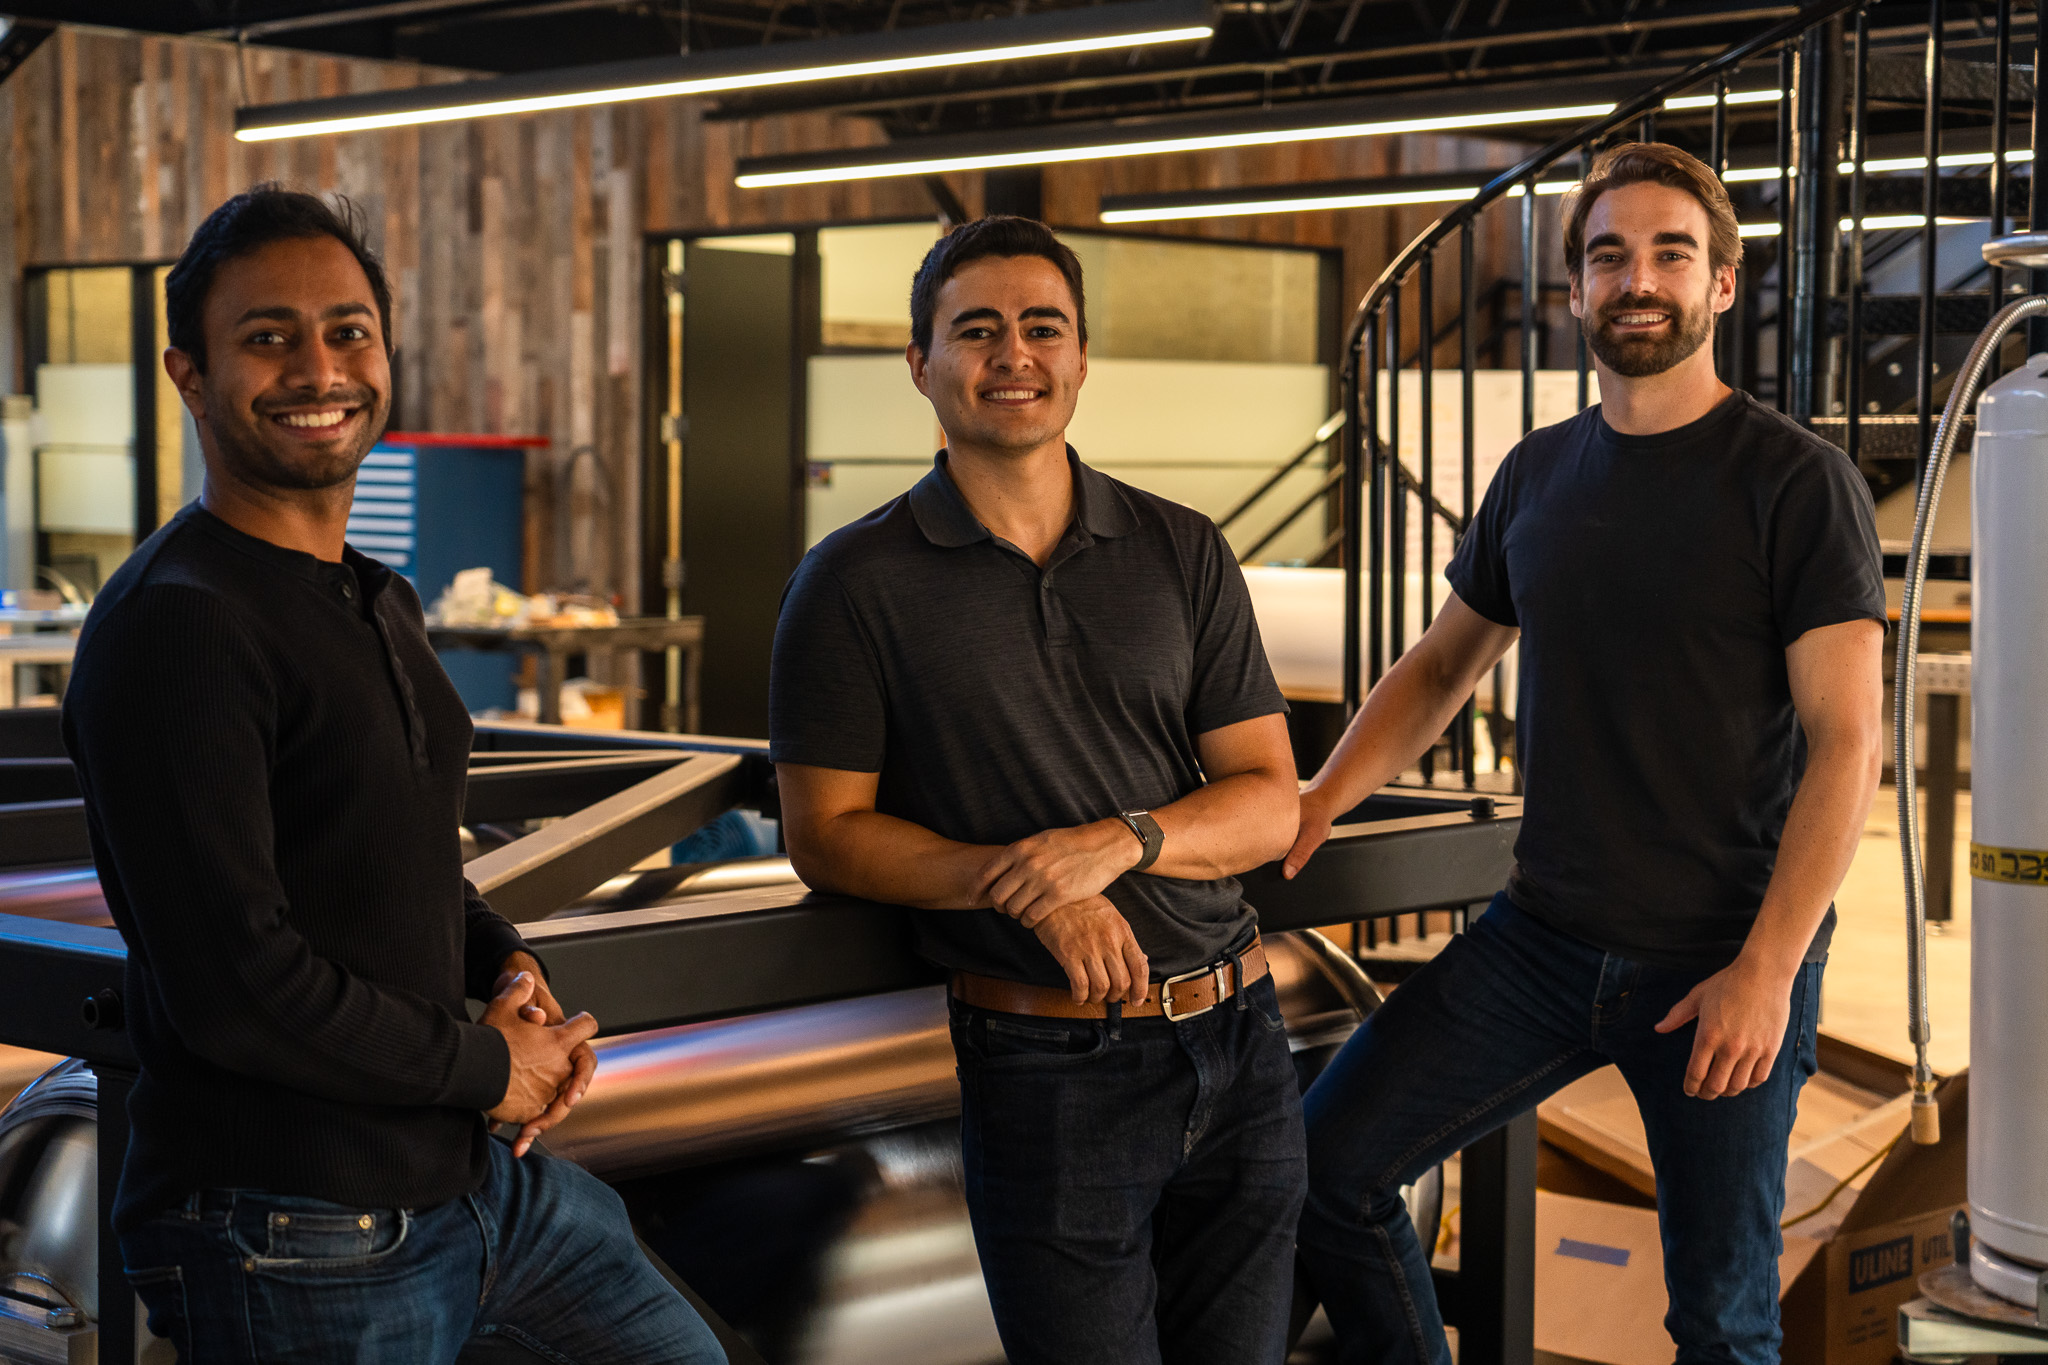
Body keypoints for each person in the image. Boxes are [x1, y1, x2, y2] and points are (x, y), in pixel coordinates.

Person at [62, 186, 727, 1365]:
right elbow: (236, 985)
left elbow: (392, 854)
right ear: (190, 377)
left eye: (348, 331)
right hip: (293, 1221)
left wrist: (502, 961)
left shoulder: (379, 596)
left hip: (472, 1183)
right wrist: (489, 1066)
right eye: (268, 337)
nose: (319, 368)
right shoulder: (179, 626)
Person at [1287, 142, 1885, 1365]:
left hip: (1719, 963)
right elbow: (1439, 666)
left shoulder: (1795, 482)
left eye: (1671, 253)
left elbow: (1845, 744)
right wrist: (1317, 797)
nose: (1637, 279)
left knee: (1720, 1321)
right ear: (1574, 289)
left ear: (1721, 283)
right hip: (1539, 940)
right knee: (1323, 1169)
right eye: (1608, 255)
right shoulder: (1536, 473)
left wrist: (1767, 970)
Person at [769, 215, 1306, 1365]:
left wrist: (1117, 842)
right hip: (1048, 1066)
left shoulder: (1180, 548)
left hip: (1241, 1041)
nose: (1012, 354)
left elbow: (1268, 799)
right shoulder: (850, 584)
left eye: (1040, 328)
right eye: (975, 330)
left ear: (1078, 357)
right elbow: (825, 834)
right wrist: (1023, 887)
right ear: (919, 364)